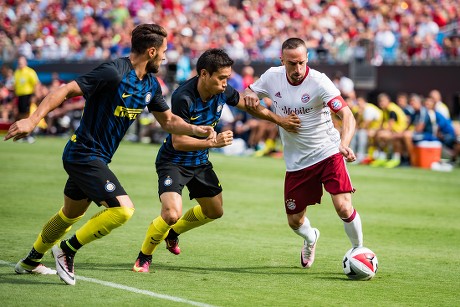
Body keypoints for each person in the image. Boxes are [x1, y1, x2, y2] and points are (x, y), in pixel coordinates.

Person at [4, 24, 215, 286]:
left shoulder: (150, 84)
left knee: (69, 214)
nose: (165, 57)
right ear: (151, 51)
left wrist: (196, 129)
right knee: (123, 210)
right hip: (82, 153)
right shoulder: (114, 72)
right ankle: (66, 251)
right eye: (163, 51)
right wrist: (32, 120)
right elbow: (65, 90)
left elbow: (169, 121)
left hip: (98, 158)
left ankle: (31, 260)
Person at [132, 48, 300, 273]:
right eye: (221, 78)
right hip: (174, 161)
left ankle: (173, 234)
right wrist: (213, 143)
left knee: (215, 211)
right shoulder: (184, 97)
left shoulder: (223, 91)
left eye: (227, 78)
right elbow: (178, 142)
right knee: (172, 214)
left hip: (200, 162)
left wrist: (279, 120)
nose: (225, 83)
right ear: (204, 74)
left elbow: (250, 105)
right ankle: (144, 256)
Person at [243, 38, 363, 269]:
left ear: (307, 59)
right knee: (295, 221)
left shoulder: (319, 82)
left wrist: (344, 143)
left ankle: (359, 250)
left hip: (328, 151)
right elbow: (247, 96)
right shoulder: (271, 77)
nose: (298, 69)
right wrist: (249, 93)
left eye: (302, 63)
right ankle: (311, 237)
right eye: (292, 64)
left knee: (343, 206)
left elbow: (347, 116)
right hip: (297, 162)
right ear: (282, 61)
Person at [13, 55, 40, 142]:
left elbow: (36, 84)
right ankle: (22, 135)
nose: (20, 64)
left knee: (27, 115)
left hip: (28, 95)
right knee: (20, 115)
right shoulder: (17, 72)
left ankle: (29, 134)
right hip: (20, 96)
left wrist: (34, 96)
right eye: (19, 62)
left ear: (25, 62)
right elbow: (16, 85)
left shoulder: (30, 72)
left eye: (21, 62)